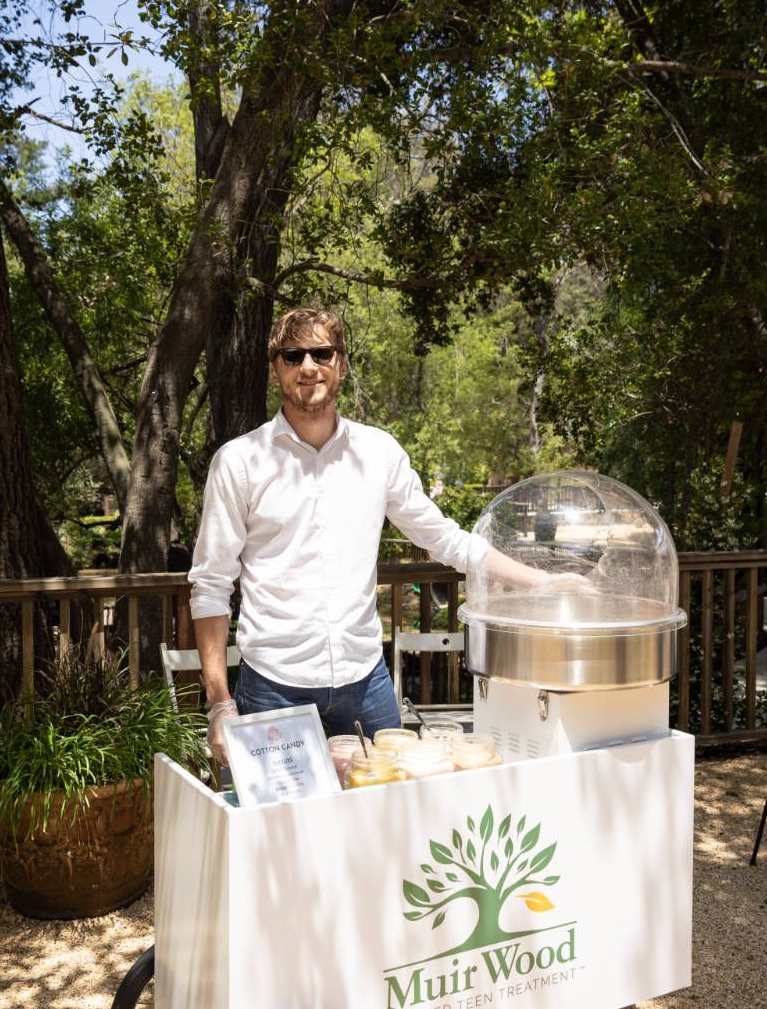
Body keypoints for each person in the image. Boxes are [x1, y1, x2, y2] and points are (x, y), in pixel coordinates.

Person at [189, 305, 548, 763]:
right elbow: (211, 587)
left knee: (389, 822)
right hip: (273, 687)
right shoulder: (240, 462)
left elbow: (446, 539)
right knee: (280, 831)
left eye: (321, 352)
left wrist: (543, 582)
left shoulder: (378, 453)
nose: (308, 367)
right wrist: (220, 701)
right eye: (292, 355)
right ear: (274, 371)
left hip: (367, 684)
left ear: (341, 363)